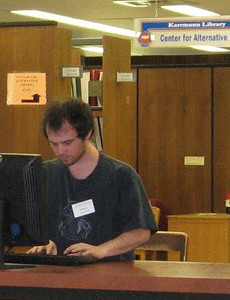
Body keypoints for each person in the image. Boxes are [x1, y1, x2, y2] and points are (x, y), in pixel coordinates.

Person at [29, 98, 157, 261]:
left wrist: (102, 250)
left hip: (110, 276)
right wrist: (44, 242)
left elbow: (141, 231)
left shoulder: (121, 175)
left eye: (67, 142)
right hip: (58, 274)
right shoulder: (44, 173)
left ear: (87, 133)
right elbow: (33, 226)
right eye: (54, 144)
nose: (60, 151)